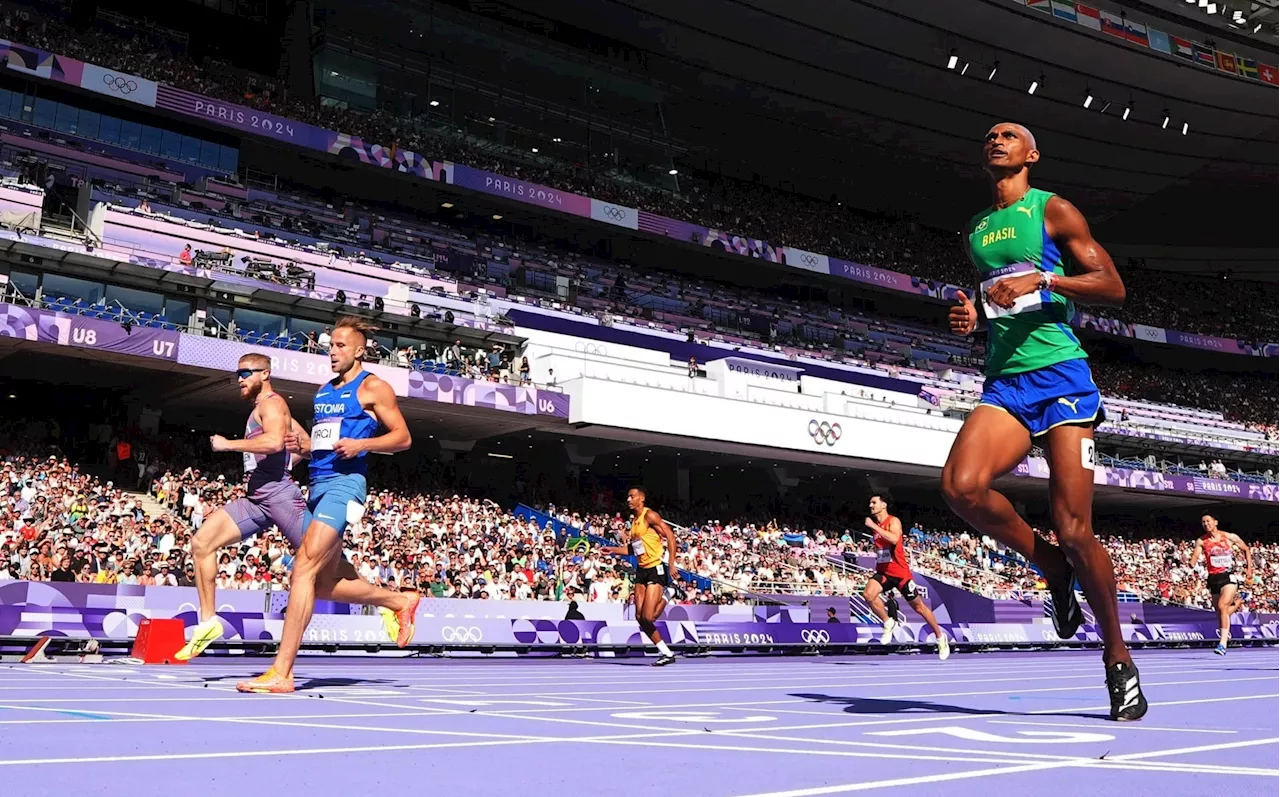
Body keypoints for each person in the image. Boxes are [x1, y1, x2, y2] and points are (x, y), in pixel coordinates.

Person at [943, 122, 1146, 721]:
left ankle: (1117, 658)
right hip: (1006, 381)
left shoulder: (1052, 210)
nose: (995, 138)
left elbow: (1112, 286)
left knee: (1075, 528)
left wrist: (1048, 277)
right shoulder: (978, 229)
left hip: (1061, 378)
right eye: (989, 134)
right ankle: (1049, 566)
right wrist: (973, 316)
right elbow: (999, 296)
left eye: (1010, 134)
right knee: (961, 487)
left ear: (1031, 155)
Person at [236, 317, 417, 693]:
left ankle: (281, 672)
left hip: (345, 487)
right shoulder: (323, 392)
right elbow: (321, 443)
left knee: (302, 570)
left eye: (339, 346)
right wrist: (299, 447)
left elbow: (403, 438)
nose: (331, 351)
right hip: (316, 486)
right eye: (329, 345)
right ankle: (399, 601)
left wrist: (362, 445)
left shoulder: (373, 388)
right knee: (324, 584)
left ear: (359, 350)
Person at [175, 352, 313, 662]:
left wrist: (229, 445)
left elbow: (275, 443)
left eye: (247, 372)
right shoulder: (263, 409)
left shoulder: (273, 404)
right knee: (202, 543)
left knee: (324, 565)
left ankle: (392, 603)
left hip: (279, 496)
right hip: (256, 499)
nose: (240, 378)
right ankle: (208, 622)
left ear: (265, 373)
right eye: (238, 372)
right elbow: (303, 444)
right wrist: (298, 452)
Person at [597, 487, 679, 666]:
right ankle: (667, 653)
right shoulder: (634, 523)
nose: (628, 499)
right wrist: (611, 550)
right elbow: (632, 550)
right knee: (640, 617)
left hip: (655, 568)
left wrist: (671, 563)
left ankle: (667, 594)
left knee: (648, 617)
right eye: (627, 496)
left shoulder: (650, 516)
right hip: (641, 570)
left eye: (632, 496)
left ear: (641, 499)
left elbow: (671, 537)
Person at [862, 495, 950, 661]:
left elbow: (895, 539)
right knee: (868, 594)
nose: (870, 505)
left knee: (919, 608)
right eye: (870, 502)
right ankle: (888, 622)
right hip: (884, 572)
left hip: (901, 574)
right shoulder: (877, 527)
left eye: (874, 502)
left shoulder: (893, 521)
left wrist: (873, 525)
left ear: (883, 504)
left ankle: (940, 637)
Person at [1189, 514, 1253, 655]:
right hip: (1213, 578)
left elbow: (1246, 549)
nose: (1206, 524)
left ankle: (1222, 644)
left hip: (1228, 577)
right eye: (1203, 522)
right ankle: (1239, 601)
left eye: (1208, 521)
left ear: (1215, 522)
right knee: (1221, 613)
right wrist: (1192, 562)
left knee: (1222, 606)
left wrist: (1249, 569)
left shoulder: (1229, 537)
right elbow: (1195, 555)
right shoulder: (1201, 541)